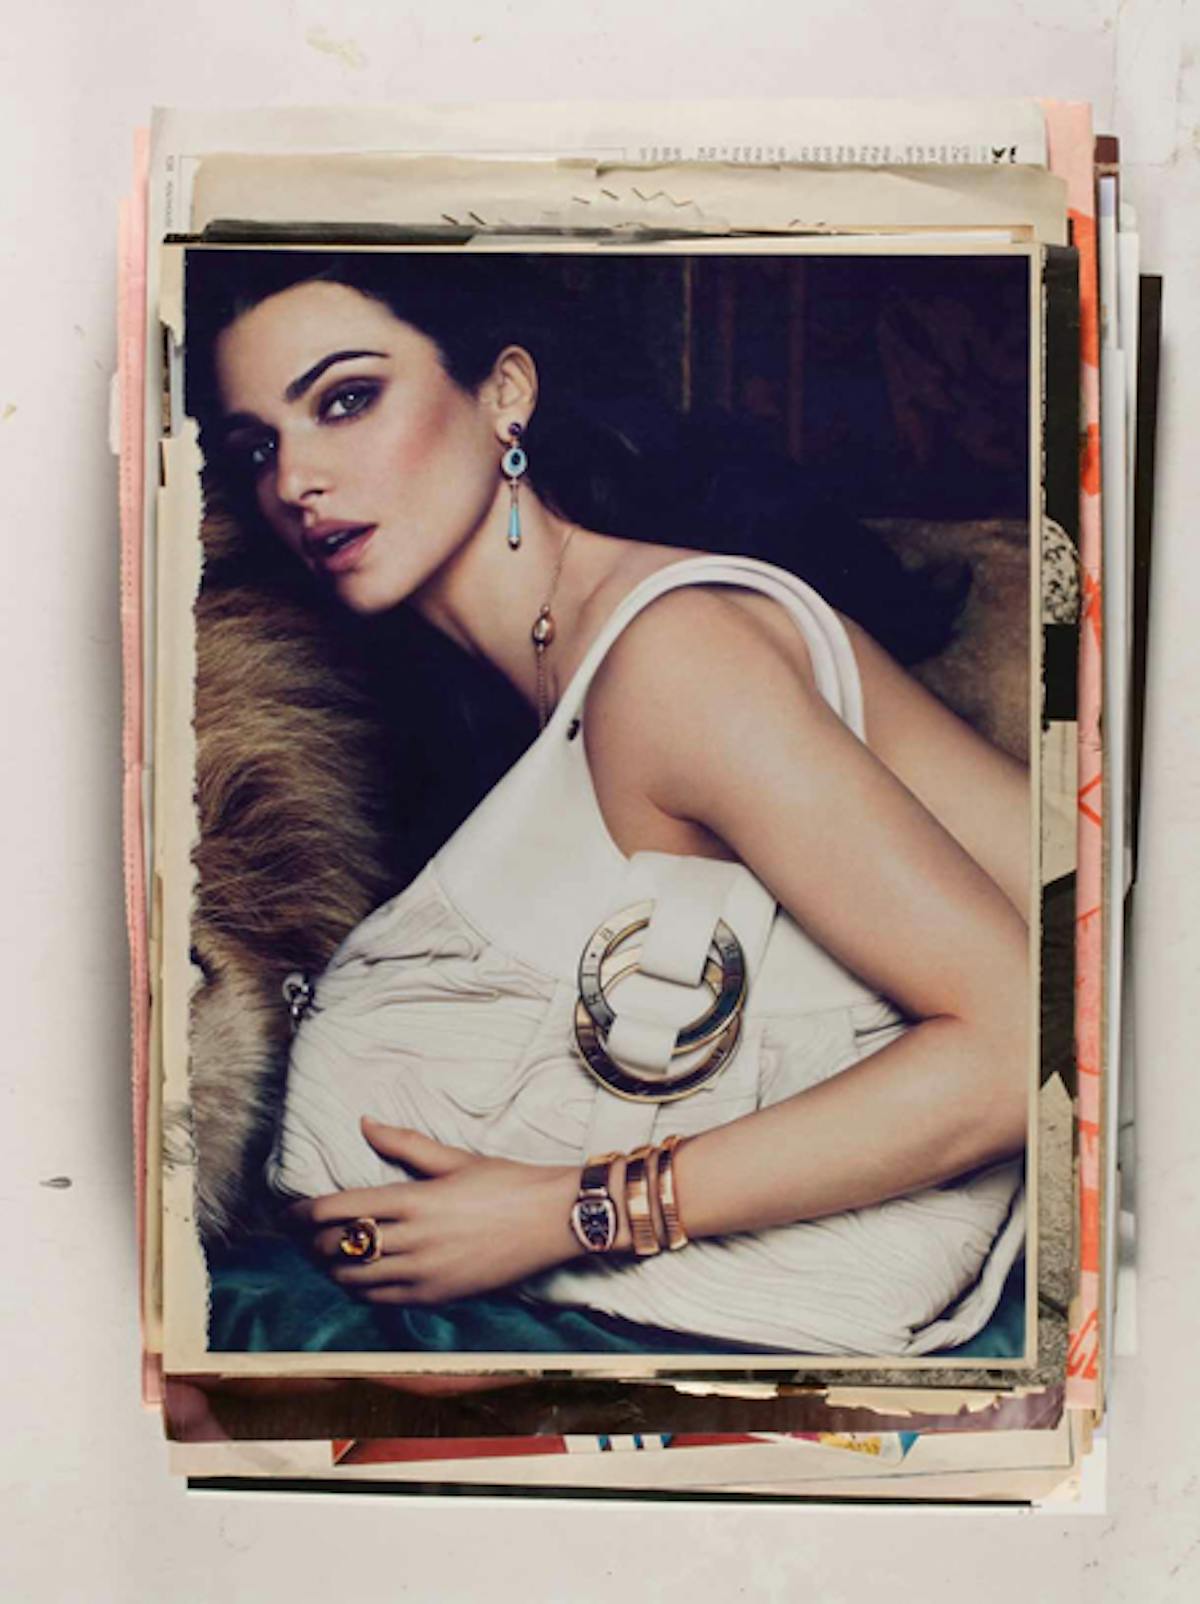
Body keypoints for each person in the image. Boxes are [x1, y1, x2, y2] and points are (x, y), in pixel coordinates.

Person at [187, 249, 1031, 1357]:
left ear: (505, 393)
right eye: (258, 447)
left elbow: (1020, 1043)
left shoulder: (668, 656)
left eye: (346, 400)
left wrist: (565, 1212)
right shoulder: (520, 682)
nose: (296, 479)